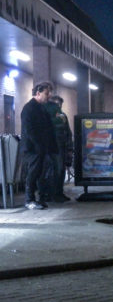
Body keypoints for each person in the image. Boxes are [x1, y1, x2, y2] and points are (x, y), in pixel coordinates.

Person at [20, 82, 58, 210]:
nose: (49, 96)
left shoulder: (41, 109)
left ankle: (38, 198)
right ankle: (29, 200)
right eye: (47, 93)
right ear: (38, 93)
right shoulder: (29, 109)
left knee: (39, 173)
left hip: (40, 148)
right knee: (33, 173)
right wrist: (38, 146)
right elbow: (29, 130)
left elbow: (48, 129)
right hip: (32, 149)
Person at [44, 95, 73, 202]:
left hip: (61, 147)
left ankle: (58, 193)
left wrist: (70, 148)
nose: (59, 106)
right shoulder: (46, 116)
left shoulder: (62, 116)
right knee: (51, 171)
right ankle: (49, 194)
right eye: (56, 104)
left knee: (60, 171)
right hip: (51, 148)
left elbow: (68, 132)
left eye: (60, 104)